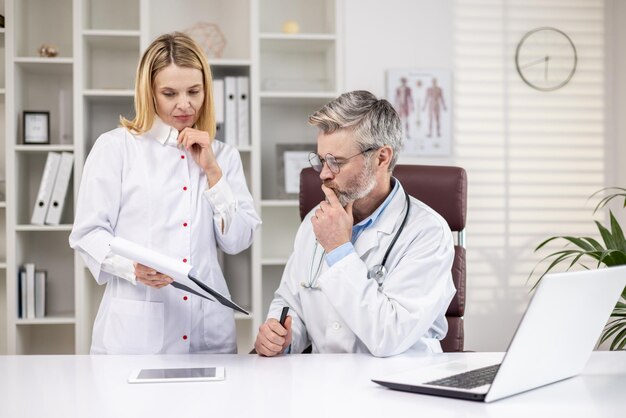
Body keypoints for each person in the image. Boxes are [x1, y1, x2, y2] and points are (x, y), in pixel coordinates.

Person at [69, 32, 261, 354]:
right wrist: (131, 267)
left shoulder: (224, 156)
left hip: (207, 330)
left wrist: (213, 173)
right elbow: (87, 233)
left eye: (194, 91)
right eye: (170, 93)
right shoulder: (116, 148)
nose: (185, 104)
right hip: (137, 334)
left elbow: (238, 240)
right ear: (150, 93)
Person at [254, 90, 455, 357]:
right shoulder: (318, 220)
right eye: (322, 160)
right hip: (324, 384)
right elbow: (290, 301)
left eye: (336, 162)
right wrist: (283, 336)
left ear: (381, 158)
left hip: (398, 385)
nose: (324, 174)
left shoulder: (427, 232)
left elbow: (390, 336)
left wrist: (339, 250)